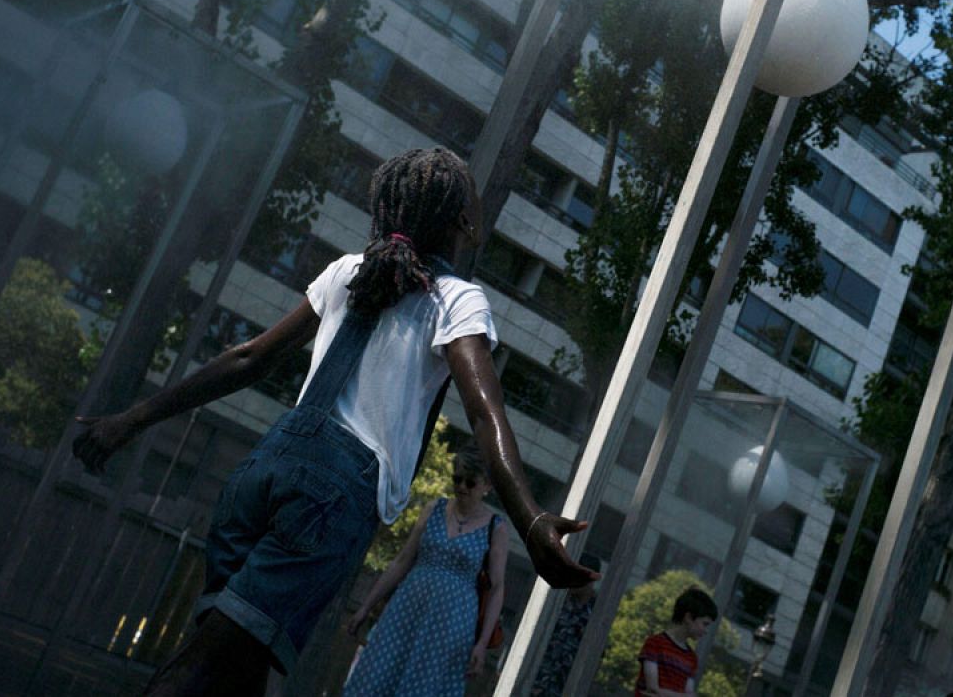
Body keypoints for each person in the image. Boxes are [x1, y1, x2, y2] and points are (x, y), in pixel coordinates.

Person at [72, 147, 596, 697]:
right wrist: (530, 517)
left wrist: (133, 418)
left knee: (234, 674)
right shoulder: (456, 300)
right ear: (465, 220)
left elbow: (248, 358)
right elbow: (484, 411)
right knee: (199, 672)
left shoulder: (347, 271)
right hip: (331, 499)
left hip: (263, 470)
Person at [344, 447, 504, 694]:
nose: (462, 487)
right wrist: (366, 606)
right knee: (376, 674)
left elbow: (496, 589)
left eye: (470, 482)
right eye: (457, 479)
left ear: (487, 486)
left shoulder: (496, 527)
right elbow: (403, 561)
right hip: (407, 608)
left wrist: (482, 643)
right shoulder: (434, 508)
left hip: (453, 623)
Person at [531, 552, 602, 695]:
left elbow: (596, 655)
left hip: (564, 684)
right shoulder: (558, 599)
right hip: (537, 676)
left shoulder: (597, 613)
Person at [634, 587, 717, 697]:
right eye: (704, 624)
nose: (706, 631)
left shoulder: (692, 658)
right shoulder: (655, 643)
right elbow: (652, 689)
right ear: (688, 617)